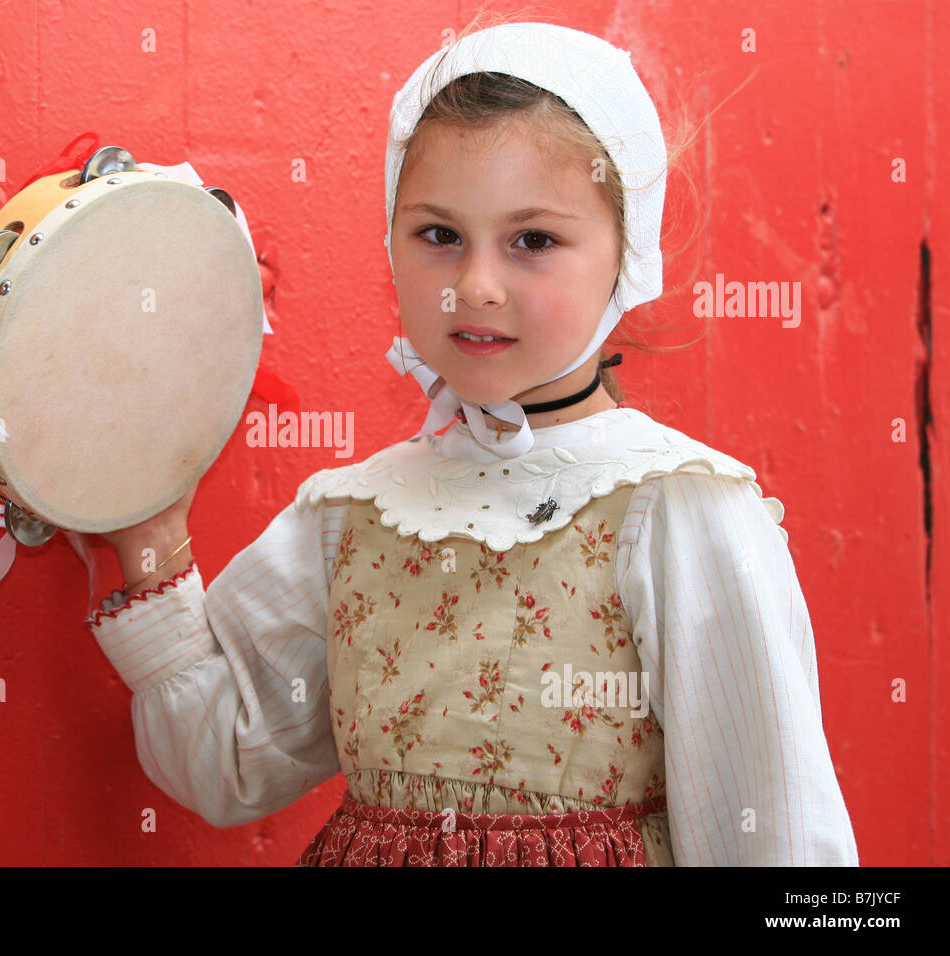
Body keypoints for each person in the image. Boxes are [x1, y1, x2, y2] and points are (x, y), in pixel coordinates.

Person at [83, 16, 860, 866]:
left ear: (627, 257)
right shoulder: (353, 514)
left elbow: (778, 838)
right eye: (439, 235)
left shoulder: (674, 506)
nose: (475, 285)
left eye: (533, 240)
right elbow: (225, 762)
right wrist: (149, 534)